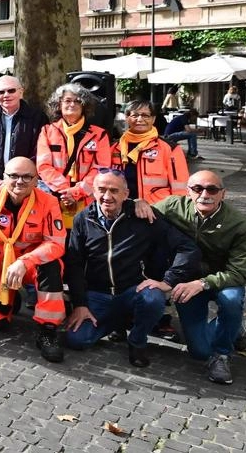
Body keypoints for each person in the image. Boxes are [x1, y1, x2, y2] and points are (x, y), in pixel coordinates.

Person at [65, 169, 199, 368]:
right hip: (98, 293)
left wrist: (167, 281)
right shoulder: (83, 219)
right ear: (93, 191)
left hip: (132, 290)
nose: (107, 196)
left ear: (126, 194)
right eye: (101, 189)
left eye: (114, 190)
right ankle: (116, 321)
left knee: (153, 298)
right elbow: (74, 265)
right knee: (76, 340)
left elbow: (187, 248)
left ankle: (137, 340)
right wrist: (80, 304)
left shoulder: (143, 216)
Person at [0, 157, 66, 362]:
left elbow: (56, 244)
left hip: (29, 268)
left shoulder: (49, 202)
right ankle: (12, 298)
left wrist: (25, 262)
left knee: (51, 265)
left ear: (36, 180)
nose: (19, 182)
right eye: (13, 176)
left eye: (26, 177)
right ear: (4, 177)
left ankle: (48, 331)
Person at [156, 171, 246, 385]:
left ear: (222, 194)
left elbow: (239, 271)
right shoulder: (172, 207)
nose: (204, 194)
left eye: (212, 189)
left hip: (224, 280)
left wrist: (203, 283)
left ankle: (222, 354)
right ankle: (232, 328)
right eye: (197, 189)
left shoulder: (239, 224)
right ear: (188, 192)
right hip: (187, 281)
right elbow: (144, 217)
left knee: (231, 300)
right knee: (199, 351)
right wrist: (139, 203)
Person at [36, 83, 112, 228]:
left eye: (78, 101)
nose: (72, 104)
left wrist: (76, 192)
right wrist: (66, 191)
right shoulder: (47, 131)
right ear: (59, 104)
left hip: (88, 199)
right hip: (56, 197)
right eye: (68, 100)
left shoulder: (99, 134)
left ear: (84, 106)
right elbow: (43, 166)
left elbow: (102, 168)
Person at [0, 75, 48, 191]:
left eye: (11, 90)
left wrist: (18, 179)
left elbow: (40, 150)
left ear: (21, 92)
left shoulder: (37, 117)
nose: (6, 95)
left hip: (25, 185)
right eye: (1, 92)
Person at [110, 99, 188, 207]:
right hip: (121, 208)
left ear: (153, 119)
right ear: (127, 118)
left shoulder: (170, 149)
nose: (140, 119)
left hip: (157, 209)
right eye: (135, 115)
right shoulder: (114, 148)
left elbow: (181, 188)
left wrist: (175, 214)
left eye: (145, 115)